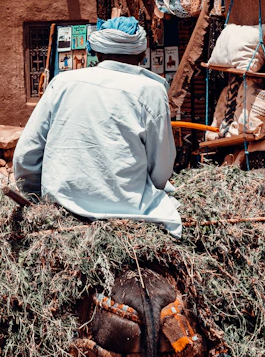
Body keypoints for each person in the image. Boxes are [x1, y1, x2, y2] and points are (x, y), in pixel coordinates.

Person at [11, 17, 180, 237]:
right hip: (129, 210)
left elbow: (27, 154)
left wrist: (35, 197)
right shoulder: (151, 91)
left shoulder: (62, 83)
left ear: (96, 53)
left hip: (61, 204)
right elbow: (161, 167)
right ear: (141, 55)